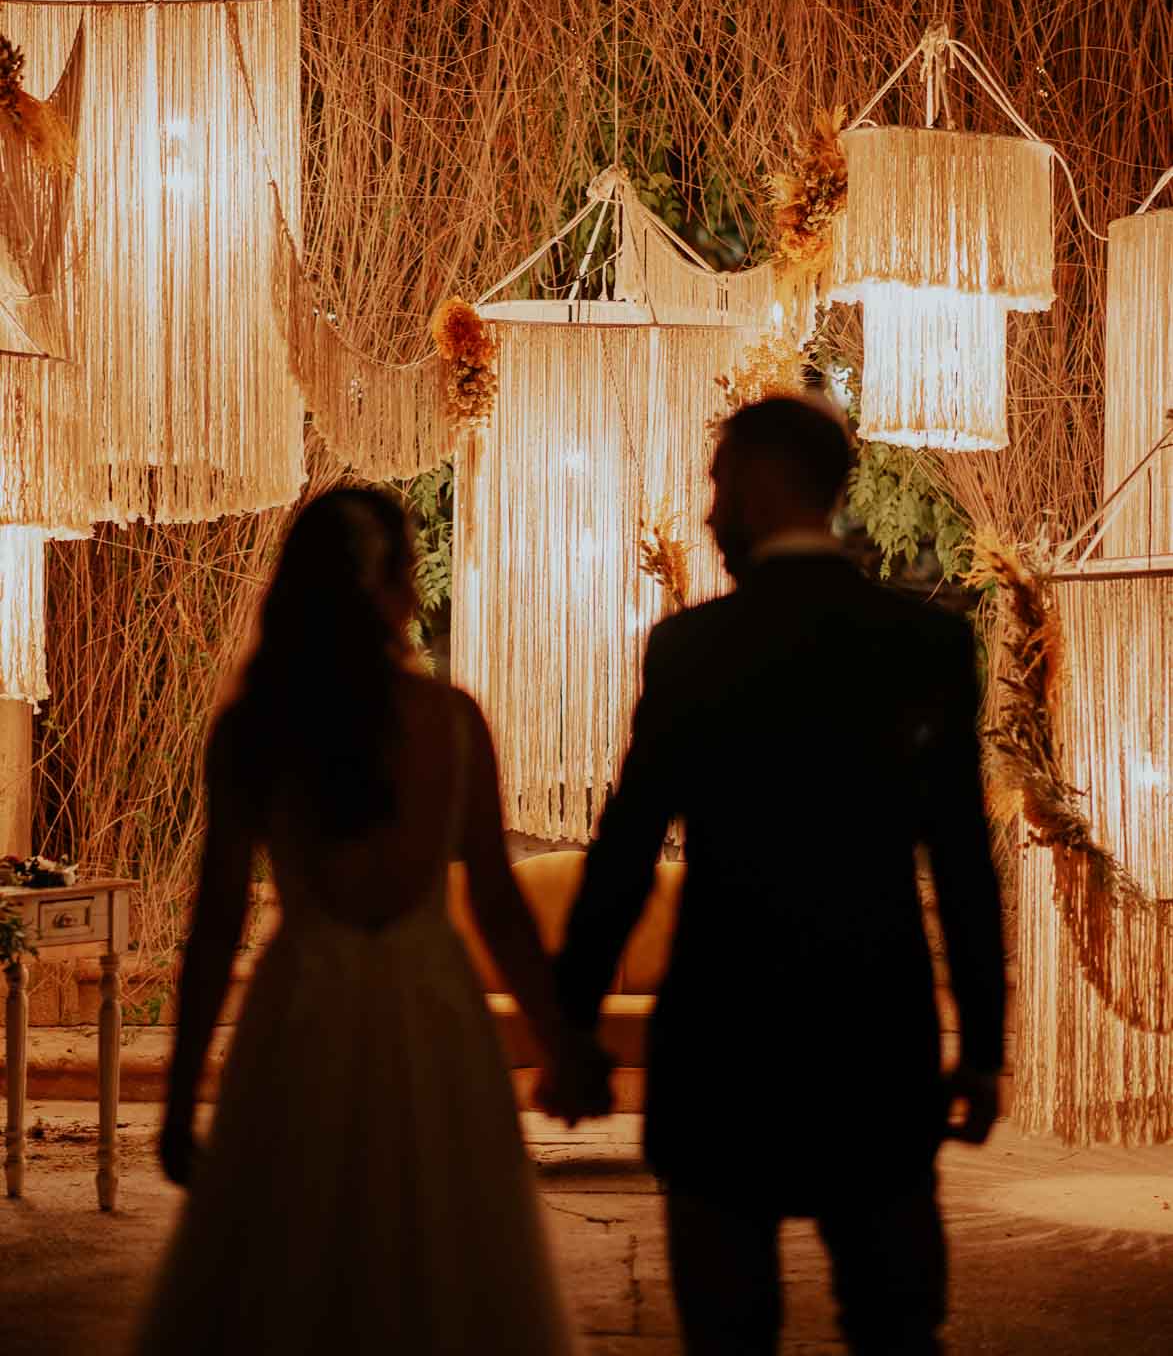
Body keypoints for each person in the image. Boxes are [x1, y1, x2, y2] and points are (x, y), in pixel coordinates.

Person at [546, 393, 1005, 1356]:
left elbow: (626, 851)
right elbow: (960, 859)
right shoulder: (920, 645)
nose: (708, 514)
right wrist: (982, 1046)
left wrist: (572, 1024)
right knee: (893, 1328)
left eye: (716, 487)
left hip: (723, 1050)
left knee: (726, 1333)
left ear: (756, 486)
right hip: (872, 1043)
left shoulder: (692, 651)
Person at [135, 486, 603, 1356]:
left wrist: (179, 1095)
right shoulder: (451, 722)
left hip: (302, 1008)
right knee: (444, 1255)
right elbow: (498, 908)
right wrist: (561, 1043)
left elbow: (214, 922)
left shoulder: (253, 728)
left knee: (285, 1262)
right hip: (430, 1009)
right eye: (412, 569)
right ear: (388, 586)